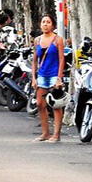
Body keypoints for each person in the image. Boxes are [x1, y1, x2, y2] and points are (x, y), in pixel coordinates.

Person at [31, 14, 65, 143]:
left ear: (53, 25)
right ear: (40, 25)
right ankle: (45, 133)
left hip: (54, 75)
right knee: (40, 104)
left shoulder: (58, 40)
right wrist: (34, 78)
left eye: (48, 22)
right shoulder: (37, 40)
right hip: (42, 76)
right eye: (43, 22)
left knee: (56, 105)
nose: (45, 24)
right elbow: (34, 60)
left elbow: (62, 60)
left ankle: (56, 134)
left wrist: (59, 78)